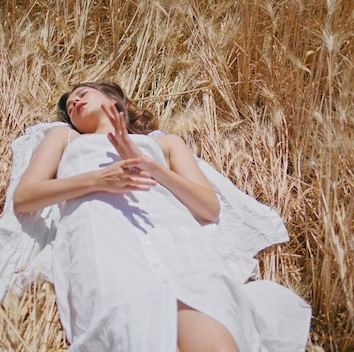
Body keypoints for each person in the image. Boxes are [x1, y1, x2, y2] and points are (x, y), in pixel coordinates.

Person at [13, 82, 261, 351]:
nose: (73, 103)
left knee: (213, 335)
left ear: (113, 100)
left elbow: (209, 208)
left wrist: (149, 165)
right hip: (103, 240)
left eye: (82, 94)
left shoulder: (163, 143)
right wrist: (98, 179)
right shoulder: (64, 138)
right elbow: (25, 197)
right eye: (69, 106)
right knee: (134, 335)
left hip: (173, 238)